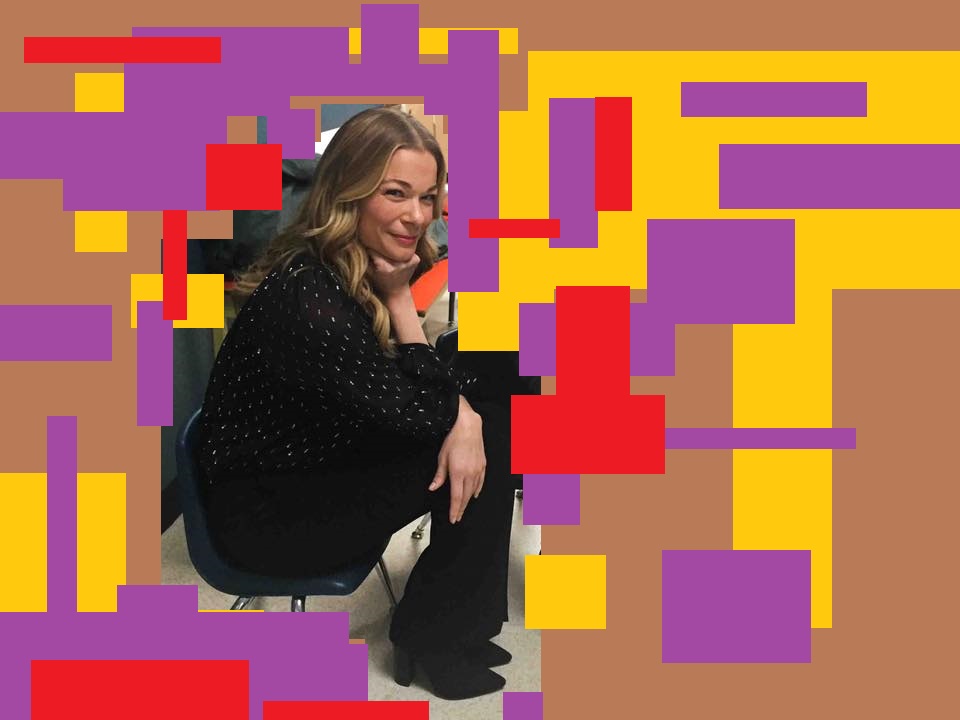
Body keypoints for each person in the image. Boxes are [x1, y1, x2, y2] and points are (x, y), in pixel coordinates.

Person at [195, 107, 520, 701]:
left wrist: (463, 413)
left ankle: (456, 623)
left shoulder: (343, 263)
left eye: (428, 196)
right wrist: (401, 306)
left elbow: (415, 395)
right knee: (484, 440)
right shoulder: (312, 298)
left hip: (308, 460)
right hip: (269, 516)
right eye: (395, 193)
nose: (418, 215)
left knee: (491, 405)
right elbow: (426, 411)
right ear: (348, 189)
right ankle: (437, 635)